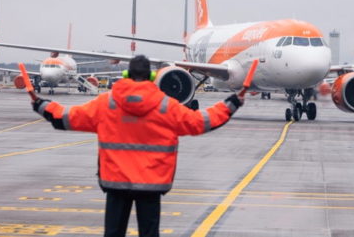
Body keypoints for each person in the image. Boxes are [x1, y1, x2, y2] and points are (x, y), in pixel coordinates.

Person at [31, 55, 244, 237]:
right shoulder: (166, 106)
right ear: (152, 77)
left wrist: (39, 103)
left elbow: (66, 118)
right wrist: (231, 103)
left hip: (116, 183)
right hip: (151, 185)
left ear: (126, 75)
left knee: (113, 233)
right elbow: (201, 122)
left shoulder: (107, 103)